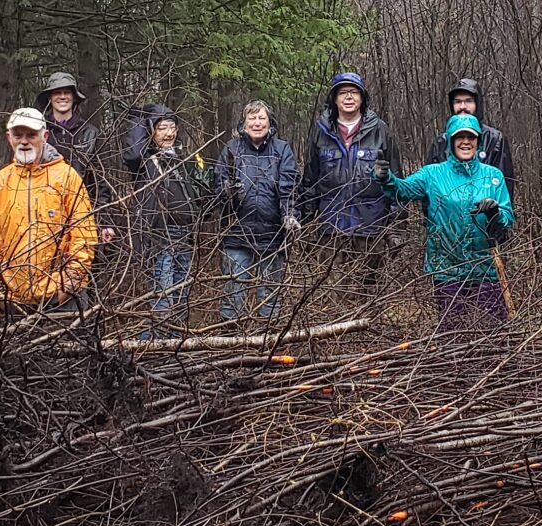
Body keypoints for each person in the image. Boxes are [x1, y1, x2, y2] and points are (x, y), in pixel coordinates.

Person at [376, 114, 515, 331]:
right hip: (446, 267)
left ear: (478, 140)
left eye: (471, 137)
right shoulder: (433, 174)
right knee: (452, 331)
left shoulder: (493, 176)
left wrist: (494, 212)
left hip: (485, 267)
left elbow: (507, 218)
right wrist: (386, 178)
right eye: (460, 137)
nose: (466, 142)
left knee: (491, 330)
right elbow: (402, 190)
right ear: (450, 140)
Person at [0, 108, 97, 320]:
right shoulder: (0, 182)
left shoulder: (67, 177)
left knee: (70, 352)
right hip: (12, 299)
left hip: (62, 297)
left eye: (31, 135)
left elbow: (84, 236)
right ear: (9, 138)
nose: (24, 141)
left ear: (44, 136)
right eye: (18, 135)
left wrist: (70, 282)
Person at [298, 71, 399, 296]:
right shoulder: (321, 130)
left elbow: (396, 181)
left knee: (368, 296)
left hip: (371, 226)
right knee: (332, 296)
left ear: (363, 98)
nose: (349, 97)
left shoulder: (380, 130)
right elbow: (310, 181)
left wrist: (396, 227)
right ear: (334, 98)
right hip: (331, 227)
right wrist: (307, 225)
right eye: (343, 93)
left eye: (354, 92)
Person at [124, 102, 213, 337]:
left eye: (172, 127)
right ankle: (153, 346)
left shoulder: (185, 158)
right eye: (162, 127)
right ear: (151, 131)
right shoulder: (144, 160)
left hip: (185, 235)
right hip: (158, 235)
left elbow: (200, 192)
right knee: (162, 296)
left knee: (181, 295)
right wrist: (138, 118)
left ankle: (176, 345)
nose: (169, 133)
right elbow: (132, 152)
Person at [215, 100, 299, 324]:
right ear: (244, 123)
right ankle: (230, 340)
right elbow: (218, 187)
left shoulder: (282, 150)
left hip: (272, 234)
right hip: (237, 233)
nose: (257, 123)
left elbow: (288, 187)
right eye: (252, 118)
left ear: (270, 122)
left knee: (270, 296)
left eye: (261, 118)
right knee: (233, 294)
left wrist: (289, 215)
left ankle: (268, 340)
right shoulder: (231, 149)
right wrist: (228, 192)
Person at [38, 71, 116, 246]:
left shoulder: (91, 133)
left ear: (74, 97)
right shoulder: (39, 134)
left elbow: (101, 183)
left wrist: (104, 222)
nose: (62, 97)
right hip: (45, 214)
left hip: (82, 213)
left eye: (67, 92)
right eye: (57, 93)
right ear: (50, 98)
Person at [423, 79, 512, 182]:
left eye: (468, 101)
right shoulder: (441, 143)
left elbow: (504, 185)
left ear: (477, 104)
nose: (462, 107)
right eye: (458, 102)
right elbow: (429, 184)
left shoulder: (494, 140)